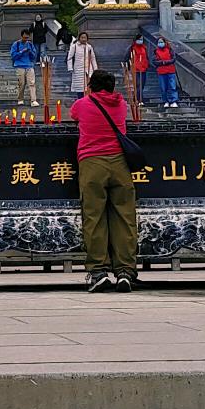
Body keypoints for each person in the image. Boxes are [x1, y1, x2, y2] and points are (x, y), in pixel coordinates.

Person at [71, 69, 138, 293]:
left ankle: (98, 270)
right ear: (112, 87)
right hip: (120, 163)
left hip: (92, 163)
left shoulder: (83, 104)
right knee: (125, 217)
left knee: (94, 217)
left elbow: (73, 115)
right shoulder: (121, 105)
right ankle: (125, 271)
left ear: (90, 86)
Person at [10, 30, 39, 106]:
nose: (26, 39)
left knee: (32, 83)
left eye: (27, 37)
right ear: (21, 36)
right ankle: (20, 99)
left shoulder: (30, 44)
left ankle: (33, 100)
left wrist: (30, 52)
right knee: (21, 83)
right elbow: (13, 56)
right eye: (24, 37)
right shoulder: (16, 44)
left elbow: (34, 56)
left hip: (29, 65)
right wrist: (21, 52)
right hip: (20, 66)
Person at [68, 32, 98, 98]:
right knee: (80, 88)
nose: (84, 39)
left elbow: (93, 58)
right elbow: (69, 58)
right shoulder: (74, 46)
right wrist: (70, 68)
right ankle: (80, 101)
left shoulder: (89, 47)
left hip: (88, 70)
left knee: (89, 87)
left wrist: (95, 69)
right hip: (78, 70)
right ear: (79, 38)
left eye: (85, 38)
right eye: (82, 37)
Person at [152, 38, 179, 108]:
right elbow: (154, 61)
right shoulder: (156, 51)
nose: (160, 43)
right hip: (161, 72)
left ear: (165, 42)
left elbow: (173, 59)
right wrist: (163, 62)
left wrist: (164, 62)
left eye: (161, 42)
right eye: (159, 42)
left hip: (170, 71)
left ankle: (174, 101)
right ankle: (166, 101)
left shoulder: (170, 50)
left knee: (172, 87)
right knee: (163, 88)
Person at [126, 35, 150, 107]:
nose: (140, 40)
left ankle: (136, 98)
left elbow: (146, 57)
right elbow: (127, 57)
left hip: (143, 69)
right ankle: (139, 99)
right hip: (136, 69)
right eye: (139, 39)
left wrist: (146, 65)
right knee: (138, 84)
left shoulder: (144, 48)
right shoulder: (132, 48)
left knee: (142, 85)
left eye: (142, 39)